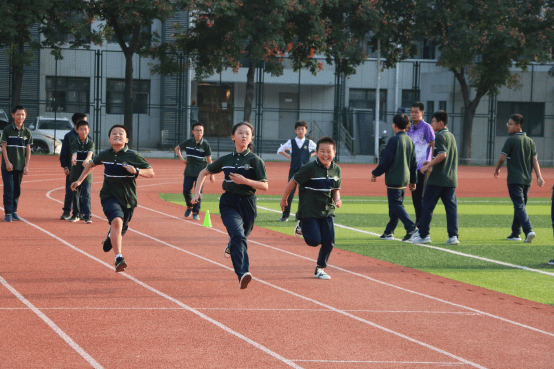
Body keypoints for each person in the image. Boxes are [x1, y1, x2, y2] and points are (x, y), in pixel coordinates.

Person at [192, 122, 268, 290]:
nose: (244, 136)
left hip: (248, 203)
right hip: (229, 203)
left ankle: (232, 245)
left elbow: (265, 186)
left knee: (240, 237)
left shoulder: (256, 161)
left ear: (251, 138)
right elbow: (204, 172)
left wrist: (245, 181)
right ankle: (243, 273)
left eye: (247, 133)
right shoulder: (226, 159)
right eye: (240, 133)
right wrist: (197, 192)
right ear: (233, 136)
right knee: (239, 236)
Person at [71, 124, 154, 272]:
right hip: (109, 195)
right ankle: (118, 258)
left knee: (120, 228)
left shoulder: (133, 156)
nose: (117, 135)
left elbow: (151, 172)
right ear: (109, 139)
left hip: (128, 199)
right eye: (114, 133)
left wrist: (137, 170)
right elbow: (91, 164)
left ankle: (111, 236)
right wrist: (79, 180)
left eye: (121, 134)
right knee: (116, 221)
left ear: (126, 139)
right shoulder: (105, 154)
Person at [280, 137, 342, 280]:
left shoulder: (337, 169)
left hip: (327, 210)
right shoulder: (309, 168)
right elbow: (293, 181)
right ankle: (301, 223)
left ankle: (320, 268)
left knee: (329, 241)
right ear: (317, 152)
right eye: (322, 151)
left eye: (329, 151)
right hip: (308, 210)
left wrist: (337, 199)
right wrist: (284, 199)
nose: (325, 155)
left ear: (335, 152)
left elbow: (335, 189)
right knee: (314, 241)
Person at [494, 114, 544, 243]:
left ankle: (529, 230)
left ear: (518, 126)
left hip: (515, 180)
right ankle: (516, 233)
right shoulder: (530, 141)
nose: (508, 126)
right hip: (527, 180)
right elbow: (535, 161)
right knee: (520, 206)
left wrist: (497, 168)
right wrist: (539, 177)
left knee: (519, 205)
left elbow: (502, 158)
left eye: (510, 124)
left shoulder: (511, 140)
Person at [411, 110, 460, 245]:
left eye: (433, 121)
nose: (431, 124)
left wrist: (428, 166)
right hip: (450, 179)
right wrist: (430, 163)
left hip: (437, 179)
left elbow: (442, 155)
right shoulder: (451, 136)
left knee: (427, 206)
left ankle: (424, 235)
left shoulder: (439, 136)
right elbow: (444, 156)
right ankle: (453, 236)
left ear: (440, 123)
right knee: (451, 209)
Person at [371, 114, 418, 242]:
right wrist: (413, 180)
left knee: (395, 204)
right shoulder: (409, 140)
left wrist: (375, 173)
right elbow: (414, 163)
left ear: (394, 126)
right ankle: (389, 231)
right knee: (395, 205)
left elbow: (386, 160)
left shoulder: (394, 140)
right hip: (405, 178)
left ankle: (411, 228)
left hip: (395, 178)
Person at [276, 120, 316, 222]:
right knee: (289, 193)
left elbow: (319, 150)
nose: (300, 131)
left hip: (306, 171)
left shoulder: (309, 142)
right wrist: (289, 156)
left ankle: (299, 216)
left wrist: (310, 155)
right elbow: (280, 150)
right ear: (295, 131)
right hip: (294, 170)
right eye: (298, 129)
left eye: (302, 129)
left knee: (304, 194)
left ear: (306, 130)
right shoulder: (291, 142)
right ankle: (285, 216)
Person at [174, 121, 214, 220]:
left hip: (201, 172)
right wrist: (182, 159)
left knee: (198, 192)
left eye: (201, 130)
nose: (199, 132)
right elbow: (177, 148)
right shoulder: (188, 142)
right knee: (186, 191)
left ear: (203, 132)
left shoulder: (205, 145)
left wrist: (211, 174)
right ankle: (189, 206)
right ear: (193, 132)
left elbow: (209, 160)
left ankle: (196, 212)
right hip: (189, 171)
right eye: (197, 130)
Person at [1, 105, 32, 222]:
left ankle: (14, 211)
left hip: (20, 166)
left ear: (25, 116)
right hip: (7, 167)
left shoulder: (27, 132)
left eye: (23, 114)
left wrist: (27, 165)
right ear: (13, 115)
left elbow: (28, 150)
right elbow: (3, 147)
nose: (20, 116)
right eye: (18, 114)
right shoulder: (7, 130)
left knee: (17, 189)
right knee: (9, 188)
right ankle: (8, 212)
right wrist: (7, 162)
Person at [407, 102, 435, 228]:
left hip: (423, 168)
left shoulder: (427, 127)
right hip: (413, 168)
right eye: (412, 112)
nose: (413, 114)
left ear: (422, 113)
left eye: (416, 112)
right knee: (415, 198)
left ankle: (422, 225)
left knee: (422, 198)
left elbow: (433, 145)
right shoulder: (411, 129)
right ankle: (419, 223)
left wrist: (430, 164)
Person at [60, 112, 88, 220]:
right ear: (77, 122)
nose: (86, 123)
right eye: (84, 121)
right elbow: (64, 153)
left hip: (84, 170)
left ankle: (80, 212)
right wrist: (65, 166)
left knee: (83, 192)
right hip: (72, 170)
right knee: (70, 190)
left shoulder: (87, 136)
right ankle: (67, 211)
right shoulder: (69, 136)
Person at [69, 120, 94, 224]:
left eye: (85, 129)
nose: (83, 131)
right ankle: (75, 214)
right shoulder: (75, 142)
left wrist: (87, 160)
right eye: (81, 129)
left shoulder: (91, 142)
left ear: (88, 130)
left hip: (86, 174)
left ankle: (87, 215)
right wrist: (73, 159)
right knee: (75, 194)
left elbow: (90, 154)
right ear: (77, 130)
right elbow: (74, 154)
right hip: (75, 172)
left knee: (86, 194)